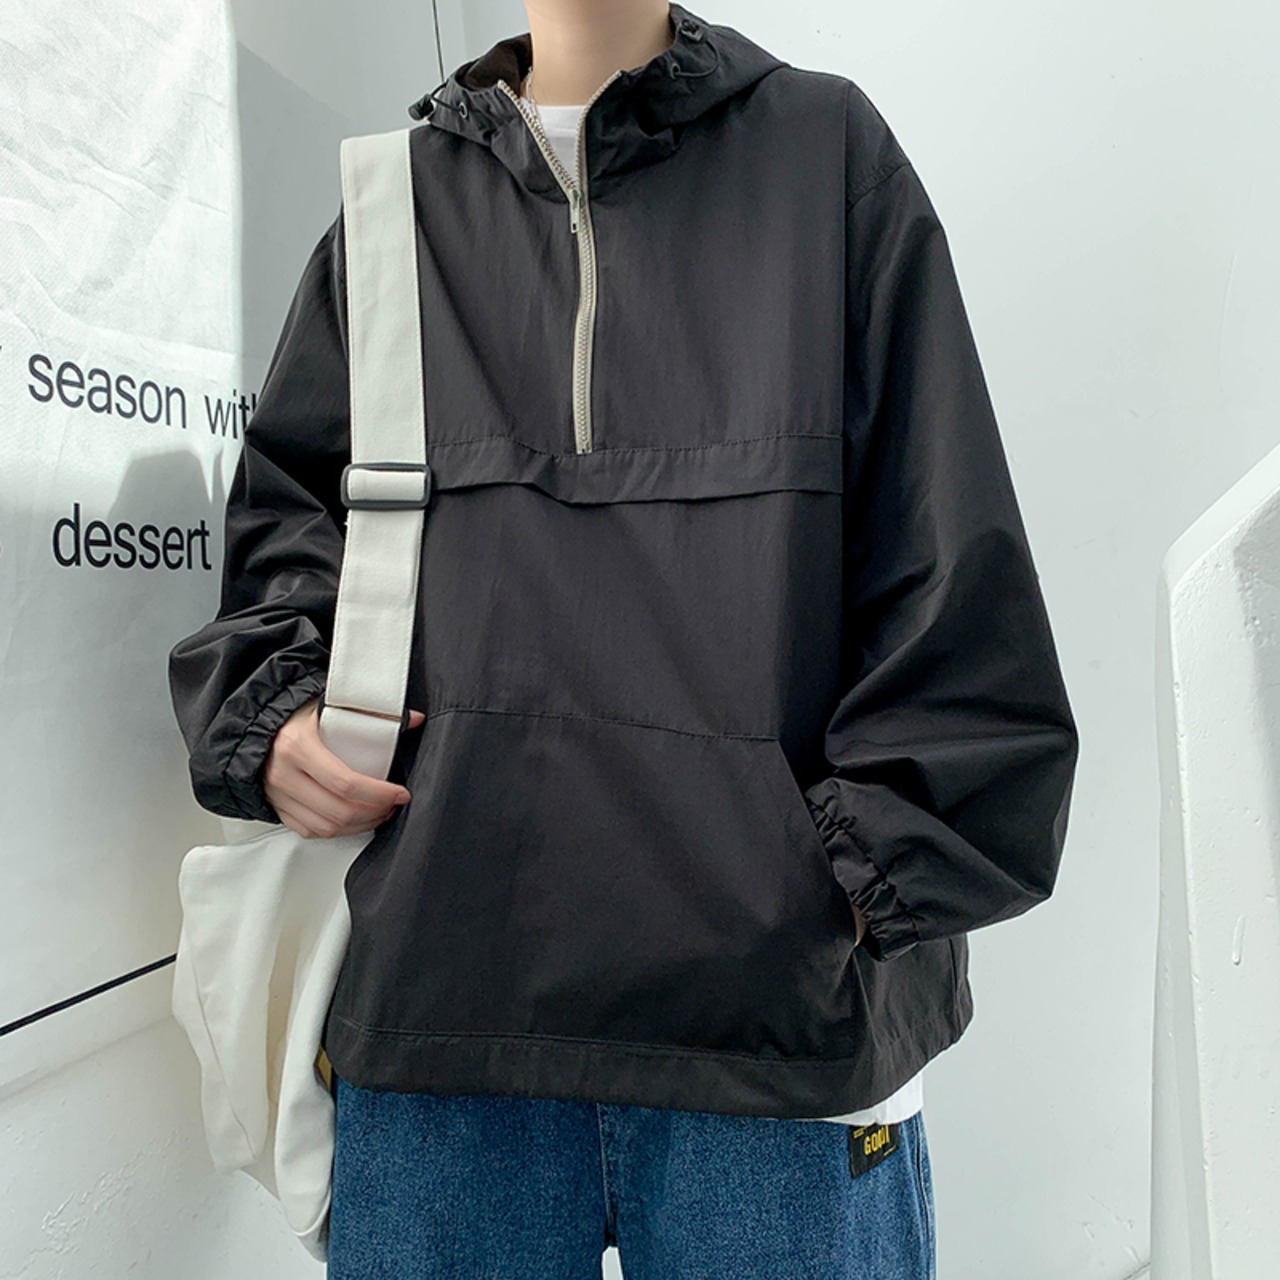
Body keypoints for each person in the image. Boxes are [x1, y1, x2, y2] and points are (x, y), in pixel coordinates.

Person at [168, 2, 1079, 1275]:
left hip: (777, 1042)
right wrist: (274, 719)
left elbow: (946, 548)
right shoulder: (392, 202)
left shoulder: (825, 153)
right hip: (443, 1007)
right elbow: (288, 525)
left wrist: (849, 883)